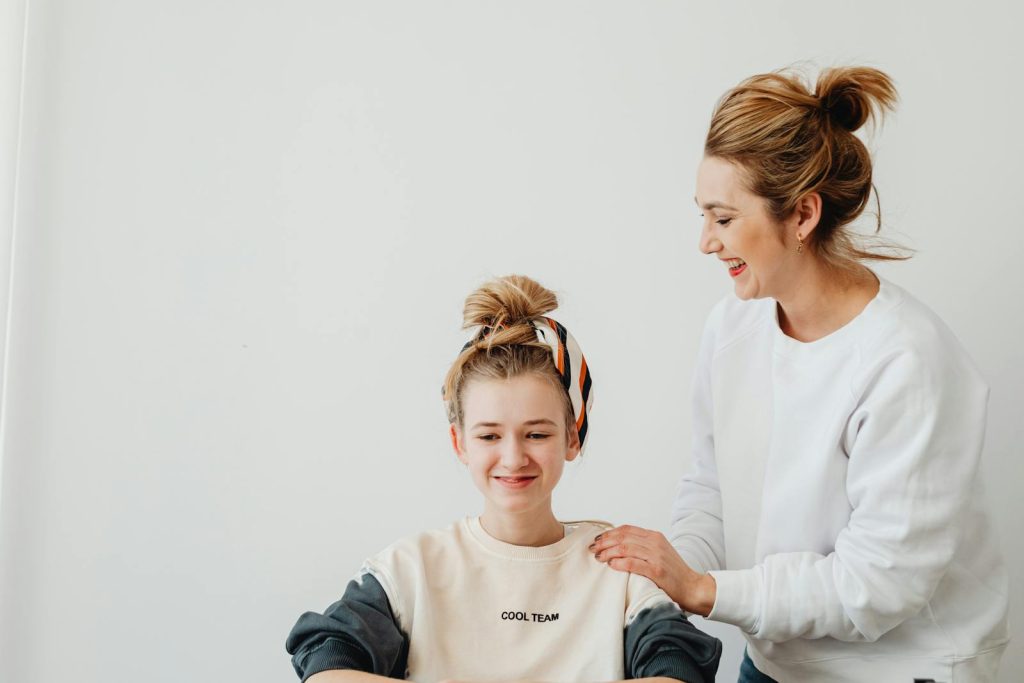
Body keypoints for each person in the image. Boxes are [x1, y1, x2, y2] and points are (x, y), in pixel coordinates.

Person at [588, 66, 1010, 682]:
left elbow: (878, 586)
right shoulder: (732, 327)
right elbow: (711, 487)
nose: (706, 241)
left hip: (901, 668)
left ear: (803, 215)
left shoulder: (906, 362)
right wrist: (660, 576)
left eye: (724, 218)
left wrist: (705, 589)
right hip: (779, 657)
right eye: (703, 215)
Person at [285, 275, 722, 682]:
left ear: (572, 437)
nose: (513, 458)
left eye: (536, 433)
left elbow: (678, 670)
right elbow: (326, 664)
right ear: (460, 443)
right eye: (490, 435)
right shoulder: (411, 569)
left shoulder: (620, 575)